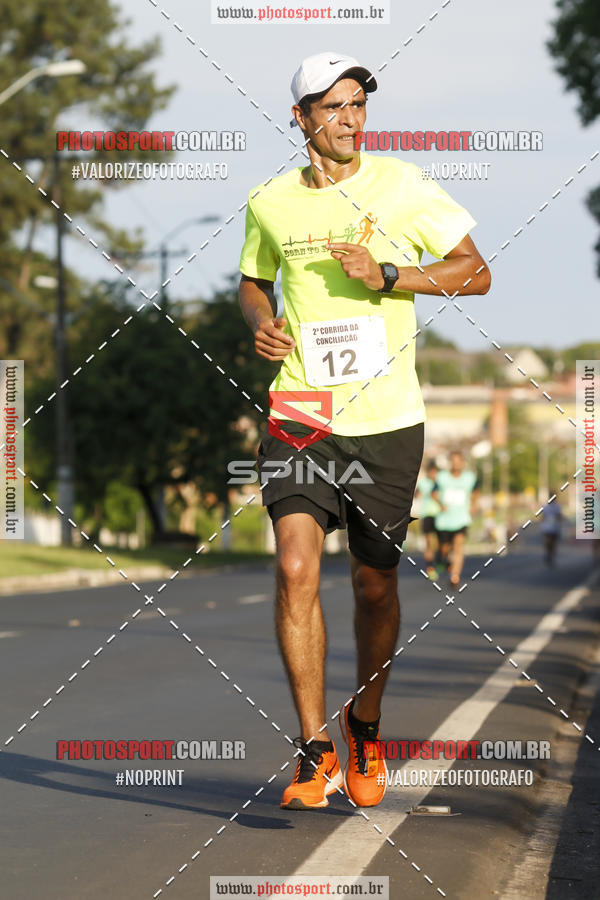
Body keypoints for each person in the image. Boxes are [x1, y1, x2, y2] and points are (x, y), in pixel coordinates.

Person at [238, 51, 491, 811]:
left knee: (375, 585)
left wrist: (389, 274)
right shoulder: (270, 202)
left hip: (386, 418)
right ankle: (315, 749)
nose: (351, 120)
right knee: (293, 568)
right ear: (301, 118)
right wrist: (262, 324)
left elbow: (474, 271)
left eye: (359, 106)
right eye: (335, 106)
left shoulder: (402, 186)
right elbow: (252, 281)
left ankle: (366, 726)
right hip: (304, 410)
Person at [432, 451, 479, 588]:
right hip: (444, 520)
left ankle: (455, 577)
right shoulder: (442, 477)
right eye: (453, 461)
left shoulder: (469, 478)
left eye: (459, 461)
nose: (456, 464)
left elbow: (476, 491)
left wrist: (473, 504)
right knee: (445, 549)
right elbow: (434, 493)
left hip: (461, 518)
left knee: (458, 547)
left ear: (463, 463)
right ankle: (444, 559)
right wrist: (441, 504)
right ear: (450, 463)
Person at [415, 460, 441, 579]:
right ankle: (430, 567)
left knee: (442, 542)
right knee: (428, 542)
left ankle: (440, 560)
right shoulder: (423, 483)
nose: (433, 475)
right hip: (426, 514)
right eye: (432, 472)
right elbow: (417, 494)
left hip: (439, 515)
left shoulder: (440, 483)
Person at [540, 495, 562, 566]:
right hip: (551, 527)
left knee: (550, 541)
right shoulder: (556, 507)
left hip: (549, 527)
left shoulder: (548, 507)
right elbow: (559, 516)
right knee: (551, 542)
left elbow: (543, 517)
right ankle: (550, 554)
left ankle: (549, 554)